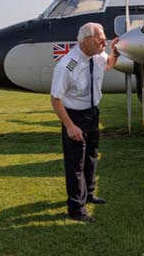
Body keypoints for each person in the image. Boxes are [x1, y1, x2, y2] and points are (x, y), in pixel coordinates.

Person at [50, 22, 120, 223]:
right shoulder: (67, 65)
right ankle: (76, 208)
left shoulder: (98, 56)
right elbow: (55, 99)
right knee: (75, 164)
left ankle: (89, 194)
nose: (104, 42)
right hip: (75, 117)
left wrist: (114, 53)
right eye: (100, 39)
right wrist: (70, 126)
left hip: (93, 113)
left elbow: (108, 65)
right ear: (86, 40)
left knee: (91, 156)